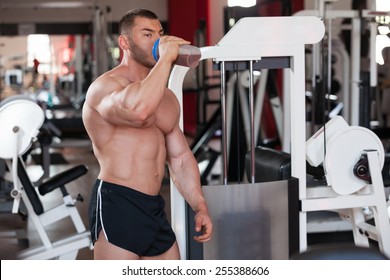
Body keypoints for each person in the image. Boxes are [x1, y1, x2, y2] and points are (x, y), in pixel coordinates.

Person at [82, 8, 212, 260]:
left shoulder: (167, 98)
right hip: (117, 202)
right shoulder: (104, 87)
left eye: (160, 34)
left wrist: (200, 206)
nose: (158, 40)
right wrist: (165, 60)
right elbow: (138, 111)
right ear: (124, 42)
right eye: (147, 34)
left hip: (153, 207)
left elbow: (180, 158)